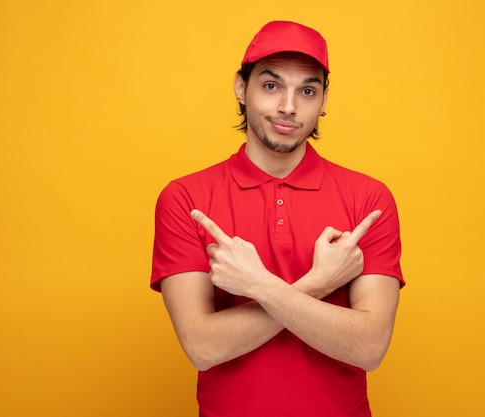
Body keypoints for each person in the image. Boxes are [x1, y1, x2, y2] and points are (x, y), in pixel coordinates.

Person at [151, 20, 405, 417]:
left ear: (323, 100)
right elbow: (202, 347)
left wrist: (258, 285)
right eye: (271, 86)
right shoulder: (185, 198)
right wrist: (319, 282)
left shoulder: (369, 199)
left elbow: (369, 348)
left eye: (307, 90)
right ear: (241, 87)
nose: (289, 106)